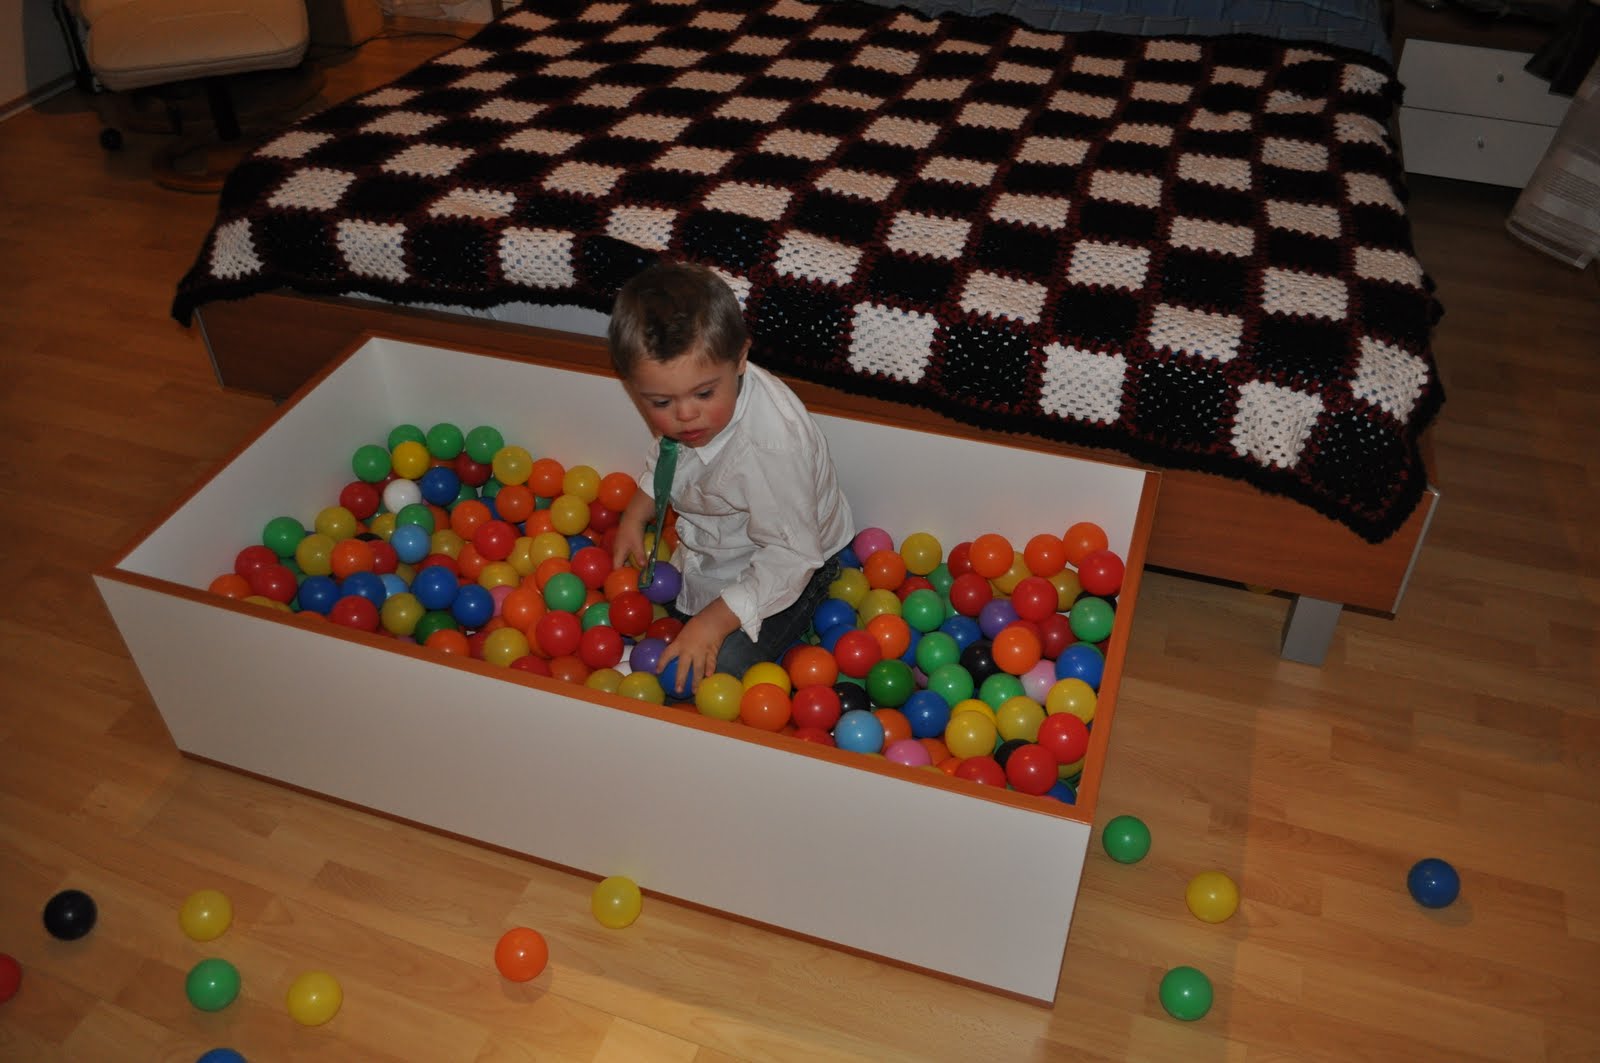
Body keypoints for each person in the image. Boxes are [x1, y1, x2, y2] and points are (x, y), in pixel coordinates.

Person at [608, 261, 855, 693]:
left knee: (719, 669)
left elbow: (791, 556)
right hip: (717, 548)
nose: (686, 415)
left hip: (794, 562)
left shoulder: (771, 448)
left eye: (704, 393)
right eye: (661, 402)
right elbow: (668, 457)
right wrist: (636, 514)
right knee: (669, 620)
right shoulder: (698, 413)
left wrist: (712, 622)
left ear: (740, 359)